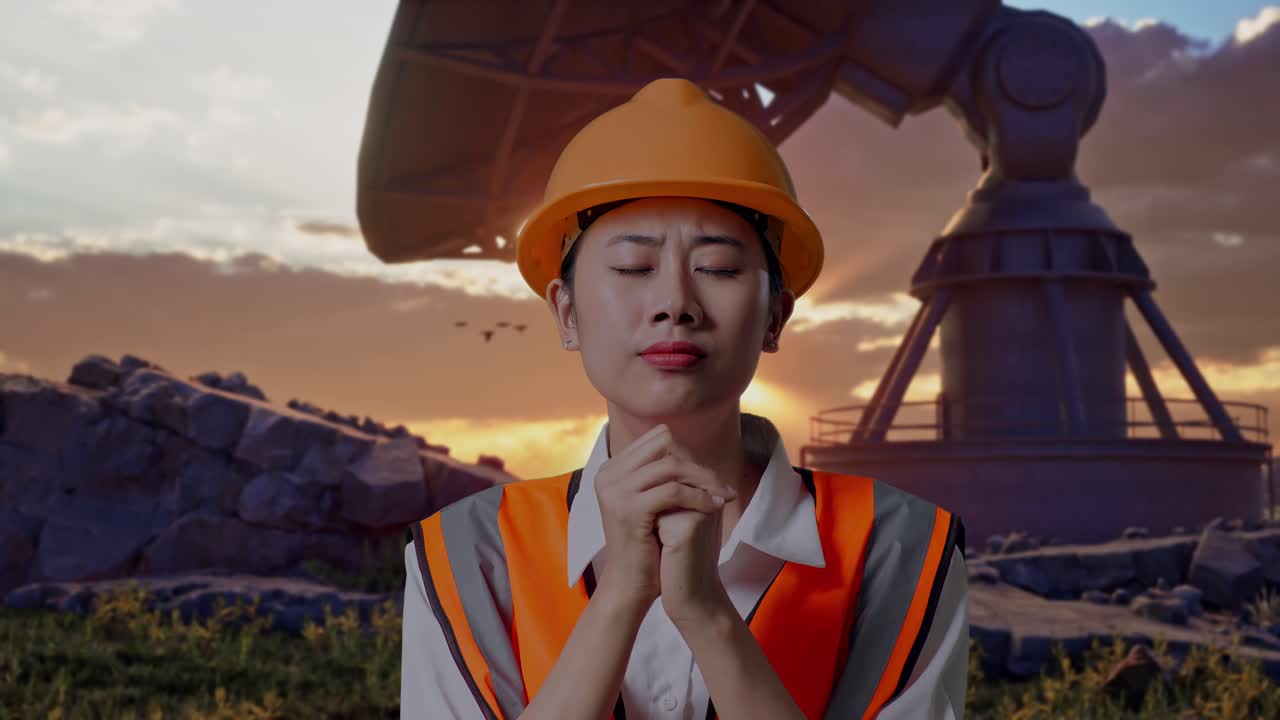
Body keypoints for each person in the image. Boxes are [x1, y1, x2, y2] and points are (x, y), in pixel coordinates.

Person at [401, 77, 968, 719]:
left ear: (776, 316)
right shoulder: (469, 551)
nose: (675, 303)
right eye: (632, 268)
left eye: (720, 268)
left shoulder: (899, 547)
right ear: (566, 313)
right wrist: (620, 596)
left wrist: (705, 614)